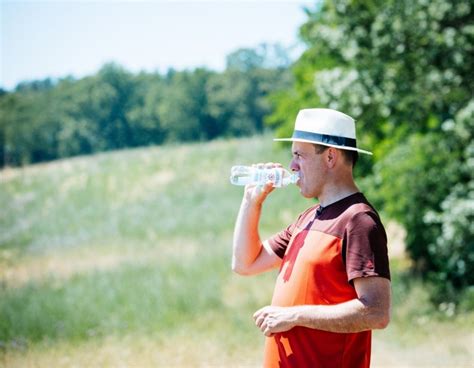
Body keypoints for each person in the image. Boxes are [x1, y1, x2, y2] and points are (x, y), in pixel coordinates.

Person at [232, 108, 391, 367]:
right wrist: (252, 202)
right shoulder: (306, 218)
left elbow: (376, 312)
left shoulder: (359, 221)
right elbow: (244, 263)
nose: (292, 165)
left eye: (299, 155)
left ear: (330, 157)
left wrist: (293, 315)